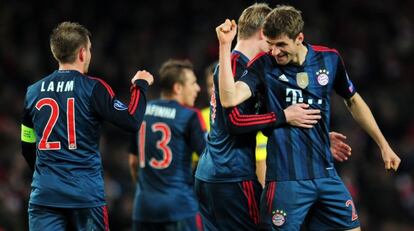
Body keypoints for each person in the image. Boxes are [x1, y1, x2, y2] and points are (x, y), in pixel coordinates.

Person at [216, 5, 401, 231]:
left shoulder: (329, 59)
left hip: (325, 174)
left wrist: (383, 144)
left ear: (299, 38)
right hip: (285, 182)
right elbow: (229, 98)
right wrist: (225, 46)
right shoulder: (263, 65)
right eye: (271, 44)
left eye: (281, 45)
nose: (274, 52)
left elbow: (352, 100)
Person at [195, 3, 352, 230]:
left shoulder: (247, 69)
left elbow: (267, 120)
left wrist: (318, 138)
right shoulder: (236, 65)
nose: (274, 50)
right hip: (232, 173)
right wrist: (284, 115)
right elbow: (235, 121)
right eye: (272, 40)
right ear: (263, 33)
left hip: (211, 173)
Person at [20, 21, 153, 231]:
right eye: (90, 49)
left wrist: (48, 175)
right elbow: (131, 120)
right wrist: (140, 86)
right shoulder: (93, 88)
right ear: (82, 53)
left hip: (45, 195)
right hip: (85, 196)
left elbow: (27, 143)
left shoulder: (32, 92)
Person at [128, 59, 205, 231]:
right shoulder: (190, 116)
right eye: (193, 83)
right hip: (179, 208)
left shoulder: (141, 111)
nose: (198, 88)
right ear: (178, 88)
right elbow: (207, 160)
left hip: (143, 207)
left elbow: (133, 162)